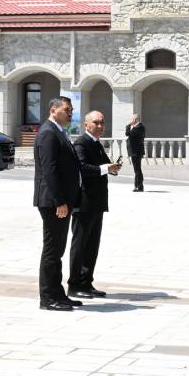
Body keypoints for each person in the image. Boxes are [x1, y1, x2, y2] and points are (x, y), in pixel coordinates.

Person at [32, 97, 82, 311]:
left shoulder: (59, 132)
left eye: (71, 110)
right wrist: (59, 201)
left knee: (58, 250)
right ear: (53, 110)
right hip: (53, 202)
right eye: (66, 109)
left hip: (61, 200)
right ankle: (47, 298)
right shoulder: (48, 133)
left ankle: (57, 294)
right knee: (52, 250)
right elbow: (49, 170)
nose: (70, 113)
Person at [68, 110, 120, 299]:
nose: (100, 126)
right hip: (84, 202)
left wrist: (112, 167)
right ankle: (74, 284)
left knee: (92, 245)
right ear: (86, 125)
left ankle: (86, 281)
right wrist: (105, 168)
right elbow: (82, 167)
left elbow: (103, 165)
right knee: (80, 244)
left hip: (97, 202)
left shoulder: (97, 143)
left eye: (102, 122)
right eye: (96, 122)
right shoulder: (81, 143)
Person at [124, 114, 146, 192]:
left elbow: (128, 133)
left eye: (132, 119)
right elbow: (129, 134)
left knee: (137, 169)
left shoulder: (140, 127)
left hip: (137, 152)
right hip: (134, 151)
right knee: (137, 169)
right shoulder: (136, 127)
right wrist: (131, 126)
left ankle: (138, 186)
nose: (131, 120)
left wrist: (129, 125)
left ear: (135, 119)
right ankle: (140, 186)